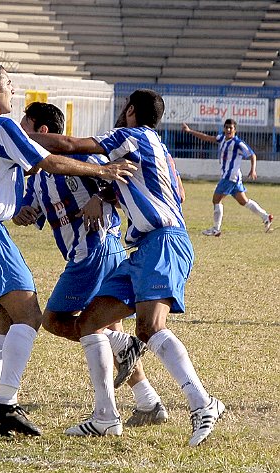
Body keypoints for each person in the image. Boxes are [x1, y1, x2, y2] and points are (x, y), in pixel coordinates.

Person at [0, 61, 135, 437]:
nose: (14, 91)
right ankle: (6, 404)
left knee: (2, 323)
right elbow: (47, 161)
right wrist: (102, 172)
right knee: (31, 316)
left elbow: (0, 175)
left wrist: (18, 207)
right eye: (10, 84)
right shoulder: (1, 125)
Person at [29, 89, 225, 447]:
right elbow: (150, 189)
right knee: (89, 322)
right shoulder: (157, 148)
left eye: (124, 109)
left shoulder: (130, 136)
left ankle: (203, 403)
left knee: (150, 327)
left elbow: (72, 144)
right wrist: (103, 196)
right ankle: (105, 417)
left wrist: (20, 136)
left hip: (163, 240)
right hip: (142, 248)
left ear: (131, 110)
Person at [13, 101, 169, 427]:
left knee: (55, 320)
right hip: (95, 252)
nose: (20, 130)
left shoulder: (82, 158)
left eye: (24, 124)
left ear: (42, 131)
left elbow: (116, 174)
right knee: (107, 324)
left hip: (94, 249)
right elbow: (31, 209)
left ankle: (107, 411)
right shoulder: (39, 173)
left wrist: (100, 196)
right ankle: (147, 400)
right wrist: (22, 213)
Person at [182, 119, 273, 236]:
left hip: (230, 177)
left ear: (235, 130)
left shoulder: (237, 143)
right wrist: (190, 131)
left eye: (231, 128)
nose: (228, 130)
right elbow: (207, 137)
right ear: (224, 128)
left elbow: (252, 155)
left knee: (216, 200)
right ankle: (266, 217)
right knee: (244, 201)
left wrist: (253, 169)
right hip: (234, 178)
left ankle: (216, 229)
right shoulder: (222, 139)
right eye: (226, 127)